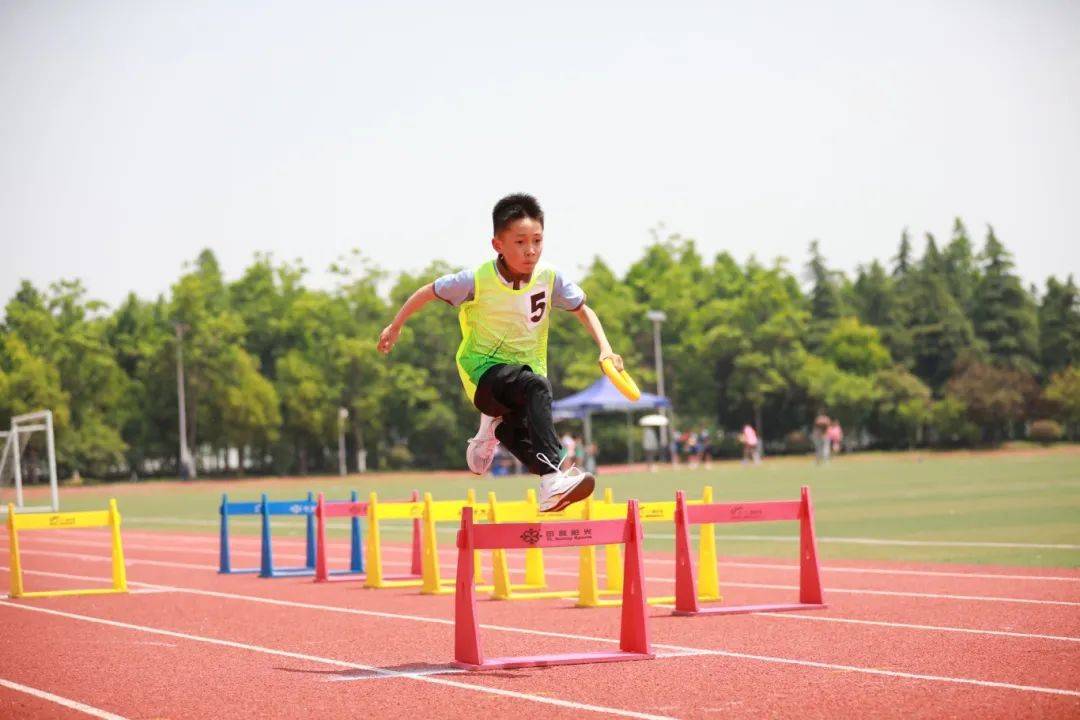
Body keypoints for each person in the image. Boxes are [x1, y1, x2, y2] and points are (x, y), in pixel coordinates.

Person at [377, 193, 626, 512]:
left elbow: (583, 310)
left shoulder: (550, 277)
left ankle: (496, 435)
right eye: (521, 242)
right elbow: (428, 292)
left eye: (537, 240)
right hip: (482, 373)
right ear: (498, 245)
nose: (531, 249)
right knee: (537, 387)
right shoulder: (475, 280)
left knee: (517, 428)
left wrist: (606, 348)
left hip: (523, 374)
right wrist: (395, 326)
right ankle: (551, 481)